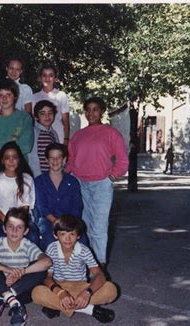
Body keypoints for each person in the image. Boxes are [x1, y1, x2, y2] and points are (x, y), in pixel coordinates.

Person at [66, 97, 128, 266]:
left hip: (101, 184)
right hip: (80, 184)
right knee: (82, 226)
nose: (91, 113)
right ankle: (84, 264)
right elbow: (71, 160)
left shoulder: (111, 133)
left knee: (99, 227)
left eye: (95, 109)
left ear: (101, 112)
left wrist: (111, 177)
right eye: (88, 110)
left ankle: (99, 265)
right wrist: (65, 177)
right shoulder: (78, 136)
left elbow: (122, 160)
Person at [32, 214, 117, 323]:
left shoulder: (84, 250)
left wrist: (88, 292)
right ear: (55, 235)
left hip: (80, 286)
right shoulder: (52, 249)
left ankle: (58, 306)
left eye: (72, 234)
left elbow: (99, 275)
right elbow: (47, 278)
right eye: (62, 234)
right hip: (59, 285)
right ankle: (90, 309)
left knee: (111, 289)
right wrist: (60, 292)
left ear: (78, 236)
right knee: (36, 293)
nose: (67, 238)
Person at [0, 208, 51, 326]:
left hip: (21, 289)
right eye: (10, 226)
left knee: (41, 270)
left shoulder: (28, 245)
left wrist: (21, 272)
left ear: (25, 231)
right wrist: (7, 270)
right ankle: (13, 302)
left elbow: (47, 262)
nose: (14, 231)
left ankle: (4, 299)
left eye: (19, 227)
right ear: (4, 228)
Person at [34, 143, 88, 251]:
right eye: (51, 158)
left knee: (82, 242)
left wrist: (68, 225)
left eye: (58, 157)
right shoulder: (39, 181)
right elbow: (42, 207)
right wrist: (58, 223)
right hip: (48, 221)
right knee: (50, 240)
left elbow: (77, 206)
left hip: (70, 222)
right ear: (46, 160)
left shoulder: (72, 181)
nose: (55, 161)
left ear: (64, 159)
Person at [0, 141, 41, 246]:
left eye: (14, 157)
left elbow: (25, 206)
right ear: (2, 160)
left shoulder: (27, 179)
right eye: (7, 158)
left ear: (19, 159)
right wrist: (7, 222)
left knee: (33, 237)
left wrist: (16, 222)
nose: (11, 161)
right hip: (0, 219)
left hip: (23, 219)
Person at [0, 78, 33, 174]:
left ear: (15, 96)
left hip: (18, 170)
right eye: (1, 95)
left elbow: (26, 146)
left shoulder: (25, 118)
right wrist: (14, 139)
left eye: (8, 94)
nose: (4, 99)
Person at [30, 63, 70, 145]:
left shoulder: (61, 95)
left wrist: (66, 140)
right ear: (40, 78)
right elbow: (33, 120)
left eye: (51, 75)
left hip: (58, 136)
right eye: (44, 75)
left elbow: (66, 121)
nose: (47, 78)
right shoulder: (34, 97)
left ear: (55, 78)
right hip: (40, 138)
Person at [27, 100, 59, 178]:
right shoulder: (32, 132)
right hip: (36, 176)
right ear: (36, 116)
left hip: (51, 176)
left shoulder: (54, 134)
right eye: (42, 113)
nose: (47, 116)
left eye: (50, 113)